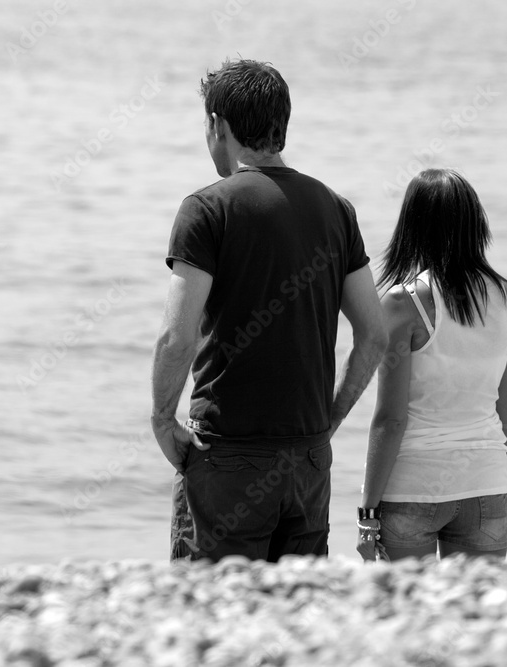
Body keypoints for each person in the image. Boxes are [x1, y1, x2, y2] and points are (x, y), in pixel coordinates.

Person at [151, 59, 388, 563]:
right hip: (308, 460)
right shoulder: (336, 209)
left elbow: (176, 337)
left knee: (208, 605)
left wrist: (161, 419)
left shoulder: (207, 209)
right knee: (297, 605)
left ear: (218, 124)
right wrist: (329, 420)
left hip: (226, 457)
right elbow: (374, 334)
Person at [356, 168, 507, 562]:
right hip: (486, 487)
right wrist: (481, 470)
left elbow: (390, 420)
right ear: (475, 223)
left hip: (412, 488)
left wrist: (368, 513)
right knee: (476, 601)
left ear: (412, 226)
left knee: (407, 602)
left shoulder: (404, 303)